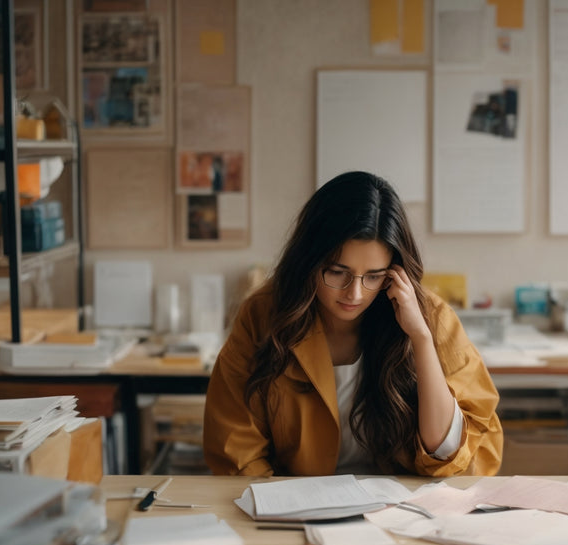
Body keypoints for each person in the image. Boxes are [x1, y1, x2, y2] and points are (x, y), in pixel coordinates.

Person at [203, 171, 503, 477]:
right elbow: (236, 449)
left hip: (401, 510)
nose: (354, 293)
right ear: (308, 261)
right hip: (293, 506)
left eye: (374, 276)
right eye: (336, 272)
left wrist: (421, 339)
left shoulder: (432, 317)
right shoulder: (263, 315)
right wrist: (279, 508)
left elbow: (450, 454)